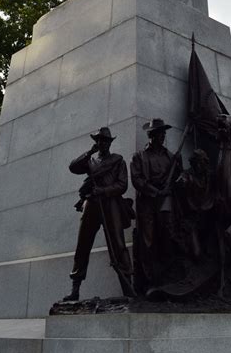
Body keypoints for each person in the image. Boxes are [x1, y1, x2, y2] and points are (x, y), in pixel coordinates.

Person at [66, 126, 132, 301]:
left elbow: (122, 185)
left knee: (118, 244)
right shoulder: (91, 161)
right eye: (98, 140)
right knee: (83, 244)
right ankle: (75, 288)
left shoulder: (118, 161)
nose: (101, 143)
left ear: (110, 143)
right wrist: (89, 152)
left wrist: (103, 190)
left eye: (104, 140)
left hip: (111, 204)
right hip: (92, 205)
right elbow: (73, 167)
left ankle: (128, 286)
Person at [130, 118, 182, 293]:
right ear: (151, 135)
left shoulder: (171, 157)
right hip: (148, 203)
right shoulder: (139, 157)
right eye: (160, 133)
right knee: (148, 240)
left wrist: (178, 170)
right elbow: (137, 179)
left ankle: (168, 277)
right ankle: (149, 281)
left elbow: (178, 180)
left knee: (168, 237)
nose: (163, 136)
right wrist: (154, 191)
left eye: (164, 133)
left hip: (166, 201)